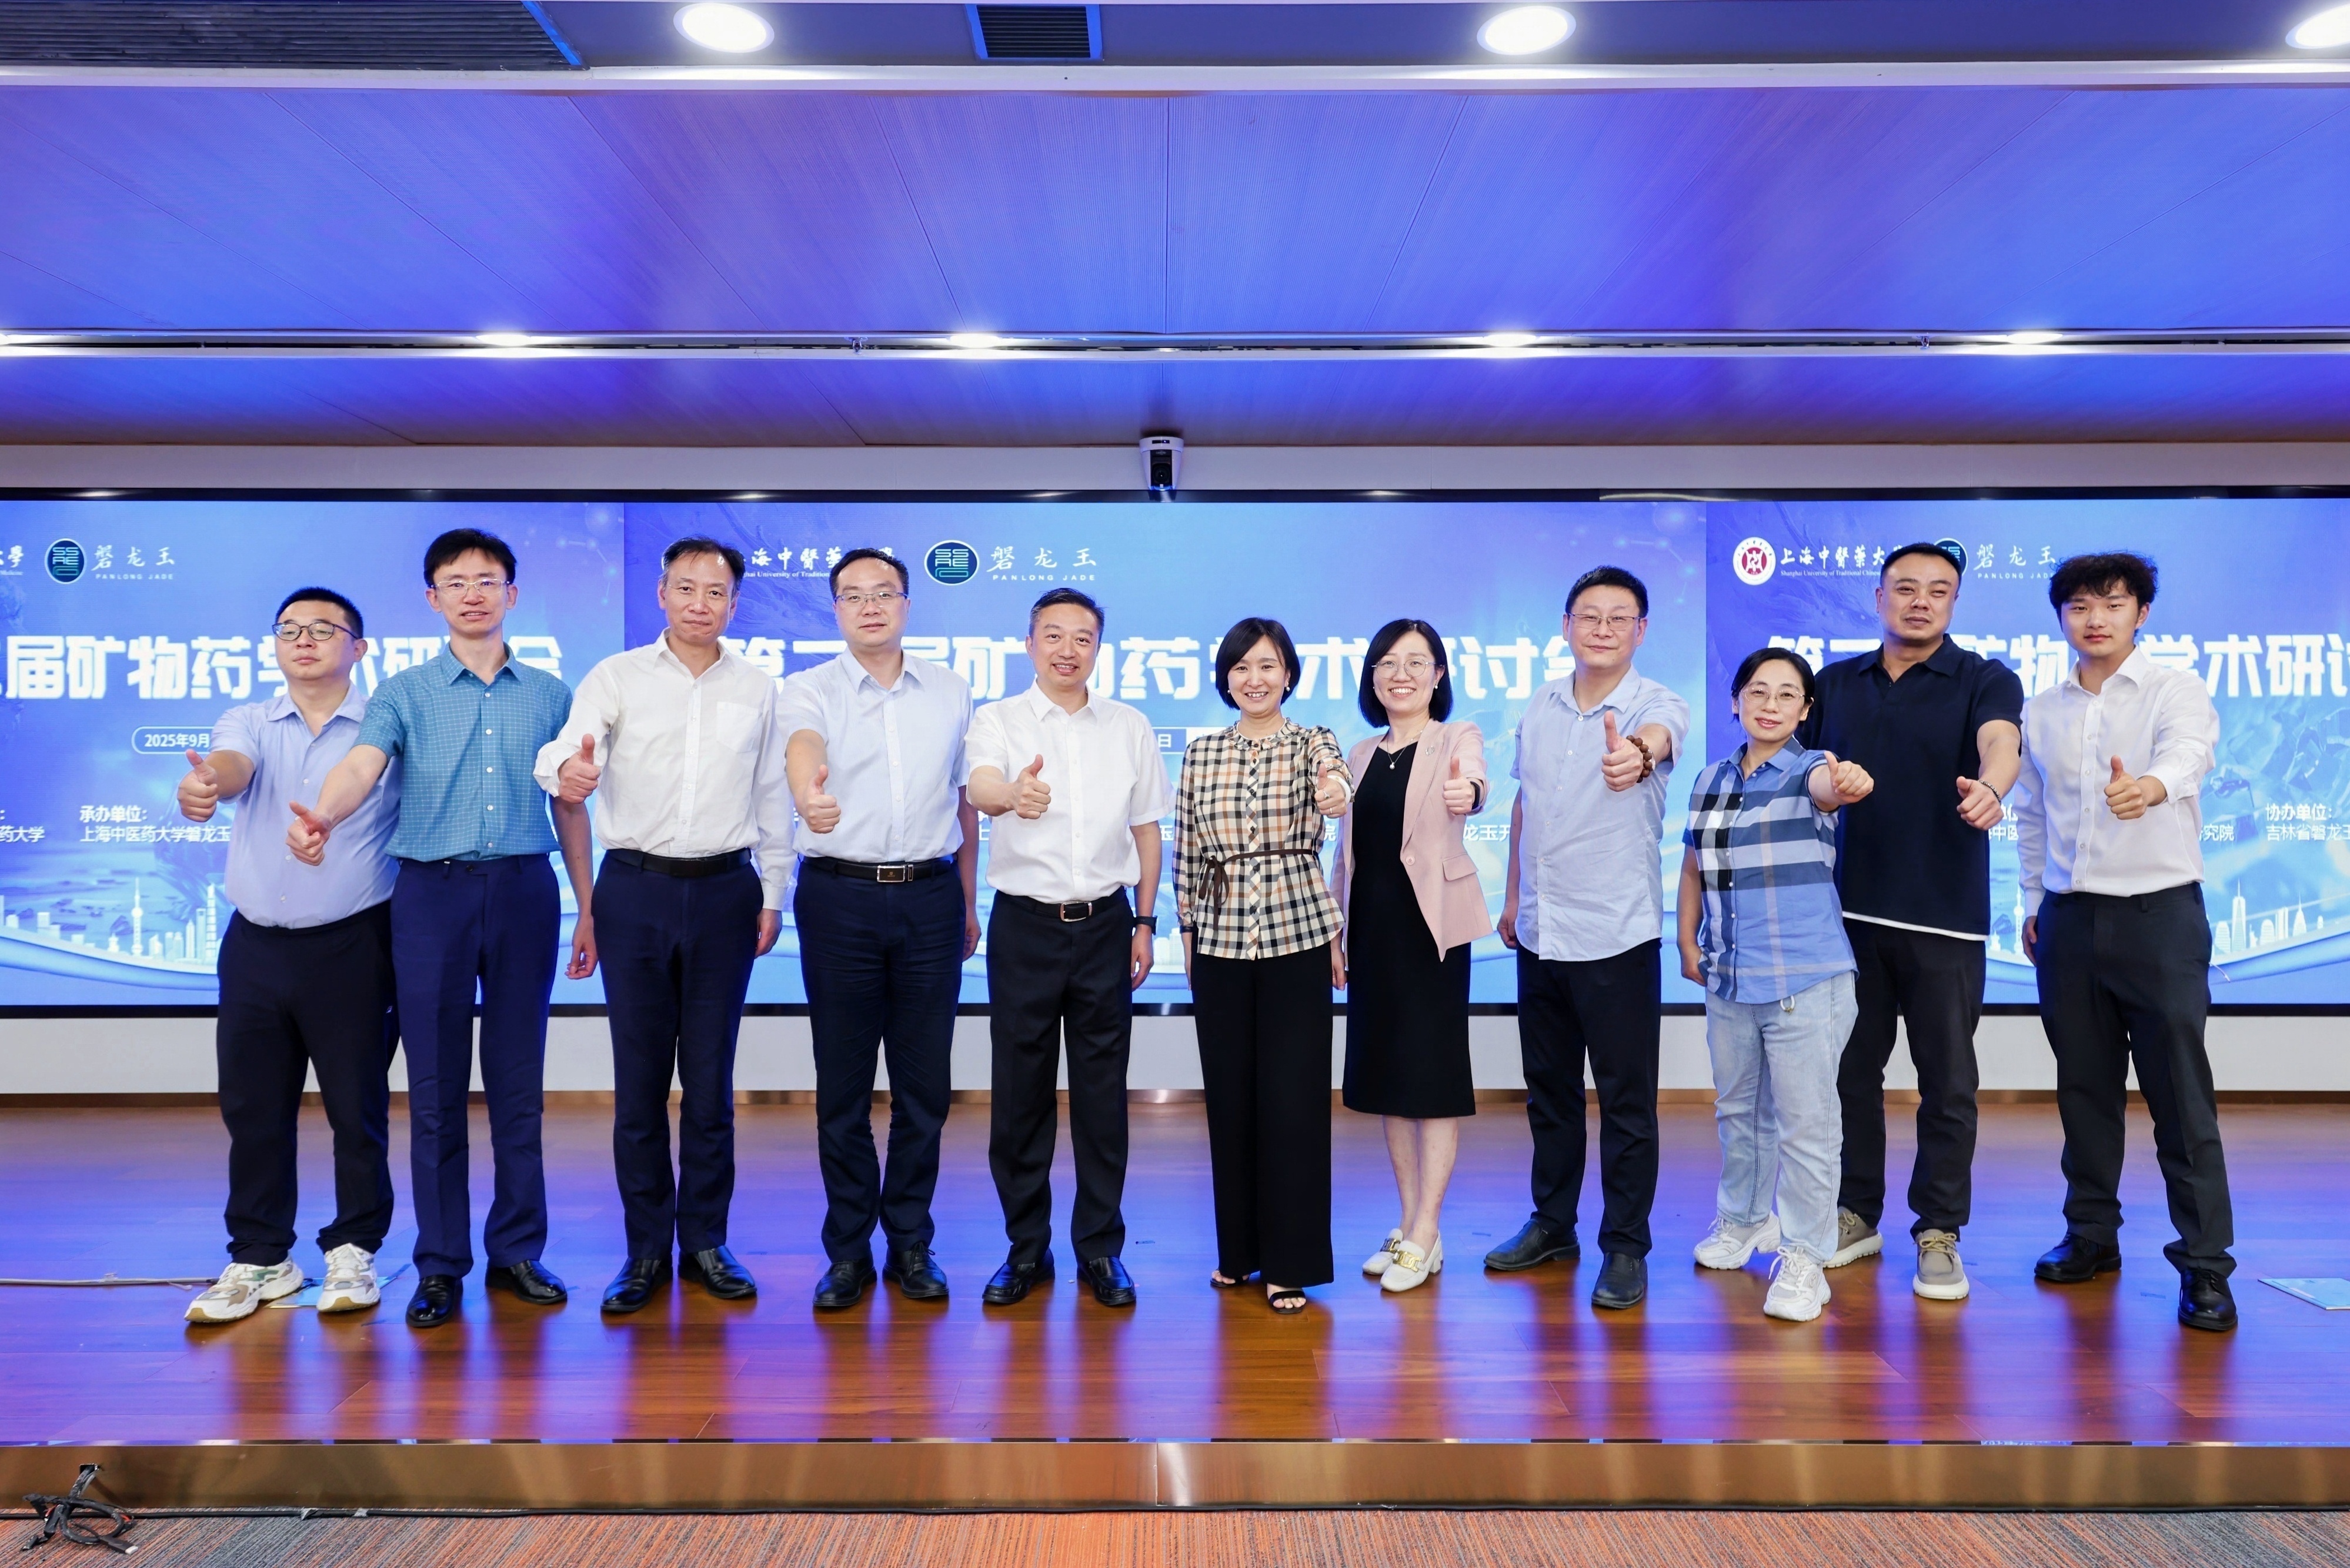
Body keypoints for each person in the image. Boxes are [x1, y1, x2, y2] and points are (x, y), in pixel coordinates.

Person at [289, 528, 593, 1329]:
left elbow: (570, 804)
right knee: (433, 1090)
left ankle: (518, 1250)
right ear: (433, 599)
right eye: (455, 582)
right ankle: (440, 1263)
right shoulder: (404, 692)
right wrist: (323, 814)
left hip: (525, 891)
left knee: (519, 1084)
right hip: (430, 895)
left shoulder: (551, 694)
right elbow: (362, 765)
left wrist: (587, 904)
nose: (472, 593)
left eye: (487, 580)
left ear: (512, 594)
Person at [535, 537, 792, 1315]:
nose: (699, 603)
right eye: (686, 587)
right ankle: (645, 1248)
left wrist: (773, 893)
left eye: (715, 592)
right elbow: (567, 752)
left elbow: (772, 794)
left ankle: (706, 1239)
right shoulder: (616, 676)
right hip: (635, 889)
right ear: (661, 593)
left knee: (710, 1083)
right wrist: (567, 772)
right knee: (641, 1083)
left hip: (725, 891)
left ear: (734, 604)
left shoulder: (759, 689)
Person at [2013, 552, 2236, 1332]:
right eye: (2079, 605)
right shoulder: (2041, 710)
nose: (2095, 618)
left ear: (2142, 613)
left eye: (2113, 603)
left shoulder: (2175, 688)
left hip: (2159, 916)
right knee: (2084, 1088)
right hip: (2069, 918)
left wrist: (2150, 786)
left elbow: (2191, 753)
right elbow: (2032, 812)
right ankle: (2091, 1235)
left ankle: (2205, 1264)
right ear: (2061, 618)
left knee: (2180, 1093)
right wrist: (2033, 900)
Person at [1801, 543, 2023, 1303]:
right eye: (1905, 588)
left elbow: (2001, 741)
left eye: (1938, 590)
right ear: (1879, 597)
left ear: (1954, 602)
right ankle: (1855, 1210)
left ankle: (1939, 1229)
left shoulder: (1984, 678)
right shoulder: (1835, 682)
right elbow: (1797, 770)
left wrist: (1993, 787)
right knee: (1848, 1076)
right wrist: (1824, 785)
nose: (1920, 601)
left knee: (1948, 1082)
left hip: (1944, 919)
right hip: (1846, 916)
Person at [178, 589, 401, 1324]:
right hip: (254, 946)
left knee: (356, 1109)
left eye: (323, 629)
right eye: (289, 629)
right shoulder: (248, 721)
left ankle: (355, 1247)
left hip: (352, 943)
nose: (303, 640)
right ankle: (260, 1256)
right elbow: (231, 767)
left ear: (358, 648)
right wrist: (207, 783)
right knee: (253, 1109)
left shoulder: (386, 723)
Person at [780, 547, 981, 1311]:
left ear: (906, 604)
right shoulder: (809, 687)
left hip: (931, 896)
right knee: (843, 1086)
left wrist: (968, 900)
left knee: (924, 1088)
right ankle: (847, 1252)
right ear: (836, 609)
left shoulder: (951, 690)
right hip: (839, 897)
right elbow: (804, 747)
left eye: (884, 593)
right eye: (853, 595)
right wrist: (808, 796)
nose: (870, 606)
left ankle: (911, 1242)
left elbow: (964, 801)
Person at [1487, 566, 1690, 1313]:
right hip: (1541, 930)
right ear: (1566, 625)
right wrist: (1514, 896)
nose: (1602, 629)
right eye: (1589, 616)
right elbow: (1525, 804)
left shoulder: (1656, 704)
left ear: (1641, 630)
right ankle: (1553, 1224)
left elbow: (1653, 744)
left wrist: (1636, 755)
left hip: (1615, 936)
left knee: (1627, 1104)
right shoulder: (1540, 703)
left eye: (1619, 617)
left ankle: (1626, 1246)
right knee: (1550, 1094)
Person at [964, 587, 1171, 1310]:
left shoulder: (1129, 726)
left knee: (1102, 1096)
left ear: (1098, 649)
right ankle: (1026, 1248)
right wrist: (1010, 796)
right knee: (1019, 1097)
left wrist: (1145, 921)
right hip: (1024, 926)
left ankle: (1101, 1249)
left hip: (1108, 924)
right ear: (1029, 644)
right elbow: (981, 786)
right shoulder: (998, 720)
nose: (1067, 650)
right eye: (1052, 635)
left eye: (1082, 638)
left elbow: (1147, 829)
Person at [1678, 648, 1874, 1323]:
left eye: (1787, 694)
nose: (1770, 704)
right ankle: (1743, 1220)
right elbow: (1694, 867)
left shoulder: (1809, 769)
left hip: (1805, 980)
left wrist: (1846, 780)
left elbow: (1833, 788)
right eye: (1757, 691)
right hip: (1730, 977)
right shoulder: (1710, 777)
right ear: (1736, 700)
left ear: (1805, 710)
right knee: (1738, 1113)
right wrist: (1688, 941)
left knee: (1807, 1127)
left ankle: (1805, 1258)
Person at [1175, 617, 1353, 1315]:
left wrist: (1335, 792)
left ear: (1289, 675)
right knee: (1230, 1102)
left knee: (1294, 1104)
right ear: (1226, 678)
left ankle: (1289, 1263)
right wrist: (1186, 931)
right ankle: (1238, 1254)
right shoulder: (1201, 753)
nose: (1255, 679)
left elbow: (1335, 783)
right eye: (1242, 667)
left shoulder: (1313, 741)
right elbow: (1188, 847)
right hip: (1219, 942)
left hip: (1296, 937)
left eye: (1268, 665)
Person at [1331, 619, 1489, 1295]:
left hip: (1433, 935)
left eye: (1417, 662)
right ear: (1372, 676)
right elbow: (1347, 855)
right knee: (1388, 1083)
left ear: (1439, 675)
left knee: (1432, 1080)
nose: (1402, 674)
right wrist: (1336, 933)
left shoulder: (1456, 738)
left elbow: (1474, 783)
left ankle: (1427, 1228)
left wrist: (1469, 793)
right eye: (1388, 663)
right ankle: (1409, 1223)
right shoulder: (1360, 753)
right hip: (1370, 933)